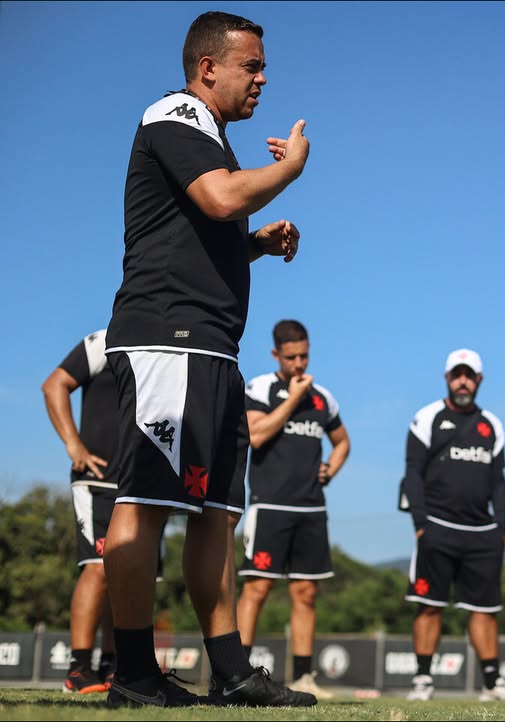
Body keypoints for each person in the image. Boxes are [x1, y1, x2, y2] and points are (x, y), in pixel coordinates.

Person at [102, 10, 315, 708]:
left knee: (214, 514)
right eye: (251, 66)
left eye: (262, 68)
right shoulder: (175, 112)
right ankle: (132, 672)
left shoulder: (212, 136)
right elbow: (221, 199)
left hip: (213, 350)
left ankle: (231, 671)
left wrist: (254, 245)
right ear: (207, 69)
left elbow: (205, 226)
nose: (262, 79)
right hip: (167, 341)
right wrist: (286, 170)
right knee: (144, 508)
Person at [399, 348, 505, 704]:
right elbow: (412, 472)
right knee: (429, 605)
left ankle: (492, 682)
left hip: (482, 534)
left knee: (485, 612)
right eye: (457, 374)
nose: (463, 381)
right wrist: (420, 523)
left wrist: (501, 527)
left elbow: (499, 480)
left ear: (479, 380)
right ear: (447, 378)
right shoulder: (427, 418)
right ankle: (423, 680)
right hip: (436, 528)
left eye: (469, 375)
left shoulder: (492, 424)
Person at [236, 320, 351, 700]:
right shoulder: (261, 388)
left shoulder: (323, 398)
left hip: (311, 509)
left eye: (304, 355)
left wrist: (329, 470)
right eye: (291, 357)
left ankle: (303, 676)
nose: (299, 363)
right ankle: (236, 673)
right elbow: (255, 435)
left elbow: (342, 442)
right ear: (276, 355)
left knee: (306, 593)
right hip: (268, 506)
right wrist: (291, 399)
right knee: (257, 588)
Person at [42, 330, 119, 695]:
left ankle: (113, 666)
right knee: (99, 568)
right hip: (98, 480)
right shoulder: (103, 341)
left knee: (129, 577)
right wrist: (75, 445)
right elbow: (54, 384)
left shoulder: (160, 342)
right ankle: (78, 668)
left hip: (139, 486)